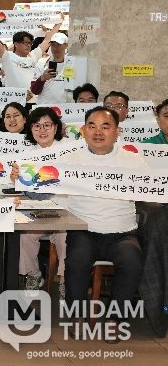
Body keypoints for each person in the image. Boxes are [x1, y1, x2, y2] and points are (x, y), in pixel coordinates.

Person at [53, 107, 144, 337]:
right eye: (92, 126)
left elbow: (151, 190)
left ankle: (116, 319)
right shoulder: (69, 159)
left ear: (117, 131)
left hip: (122, 233)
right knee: (76, 261)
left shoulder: (133, 160)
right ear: (83, 130)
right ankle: (77, 316)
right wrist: (22, 180)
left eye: (105, 126)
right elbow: (49, 189)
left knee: (132, 262)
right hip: (84, 230)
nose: (98, 132)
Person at [15, 107, 68, 295]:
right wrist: (17, 180)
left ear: (56, 127)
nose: (42, 130)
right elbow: (30, 192)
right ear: (30, 129)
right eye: (36, 126)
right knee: (25, 236)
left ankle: (65, 280)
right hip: (38, 209)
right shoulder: (26, 155)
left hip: (66, 210)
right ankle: (34, 274)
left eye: (47, 125)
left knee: (64, 237)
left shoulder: (69, 150)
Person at [0, 13, 64, 91]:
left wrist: (59, 23)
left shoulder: (34, 55)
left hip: (34, 97)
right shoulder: (7, 57)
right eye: (25, 43)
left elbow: (47, 40)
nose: (28, 45)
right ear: (16, 44)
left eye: (30, 43)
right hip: (16, 97)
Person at [30, 33, 73, 104]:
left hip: (64, 107)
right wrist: (42, 79)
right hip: (45, 107)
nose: (55, 48)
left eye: (58, 45)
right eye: (53, 44)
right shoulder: (42, 63)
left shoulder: (72, 64)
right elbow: (34, 91)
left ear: (66, 45)